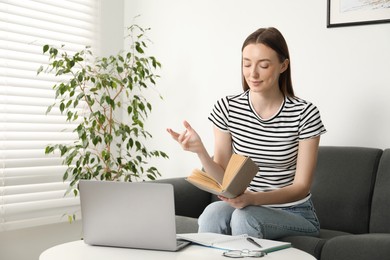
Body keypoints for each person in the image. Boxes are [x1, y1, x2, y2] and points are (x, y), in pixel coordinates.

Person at [167, 27, 326, 239]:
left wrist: (253, 199)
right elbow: (224, 179)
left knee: (245, 218)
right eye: (247, 63)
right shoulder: (228, 108)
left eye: (264, 65)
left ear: (283, 66)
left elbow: (301, 187)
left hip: (293, 212)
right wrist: (200, 151)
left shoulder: (304, 113)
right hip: (245, 205)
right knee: (211, 214)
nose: (253, 73)